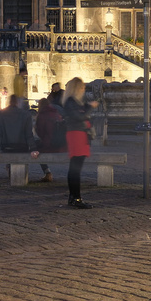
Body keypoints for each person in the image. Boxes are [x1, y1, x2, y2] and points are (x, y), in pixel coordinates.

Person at [60, 78, 99, 208]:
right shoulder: (71, 102)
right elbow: (79, 117)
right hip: (76, 135)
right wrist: (90, 107)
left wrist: (87, 107)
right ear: (76, 88)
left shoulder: (74, 102)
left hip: (80, 134)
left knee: (75, 168)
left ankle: (74, 197)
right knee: (75, 169)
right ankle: (76, 198)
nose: (83, 90)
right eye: (82, 87)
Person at [35, 85, 67, 182]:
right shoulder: (56, 112)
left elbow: (39, 131)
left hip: (49, 145)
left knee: (34, 148)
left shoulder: (42, 115)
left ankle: (47, 172)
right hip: (61, 145)